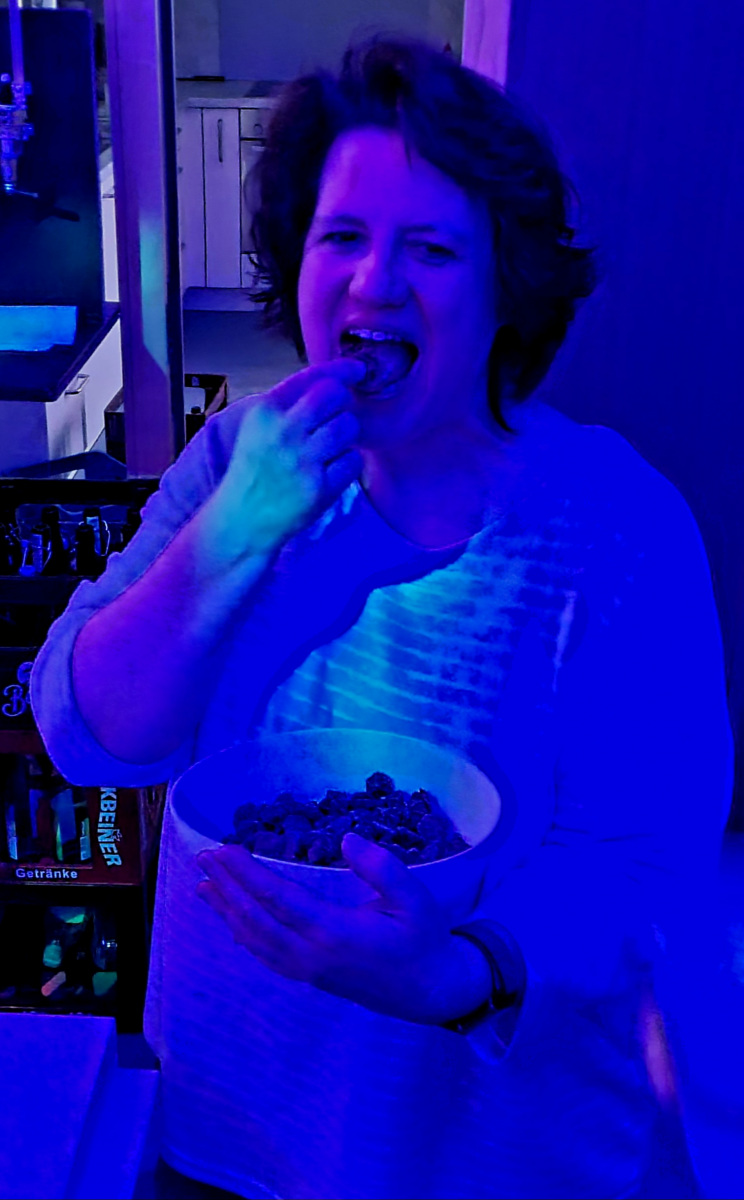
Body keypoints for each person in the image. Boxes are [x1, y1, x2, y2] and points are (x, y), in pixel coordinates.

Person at [30, 33, 733, 1200]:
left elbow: (640, 874)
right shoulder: (237, 461)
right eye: (341, 236)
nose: (373, 283)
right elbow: (84, 735)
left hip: (501, 1164)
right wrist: (231, 539)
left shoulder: (619, 532)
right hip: (226, 1132)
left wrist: (452, 973)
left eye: (433, 249)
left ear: (507, 287)